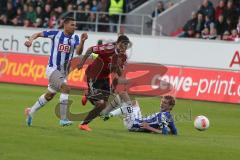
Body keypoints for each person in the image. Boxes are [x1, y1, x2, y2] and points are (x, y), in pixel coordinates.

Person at [24, 17, 88, 127]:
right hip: (52, 69)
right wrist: (30, 40)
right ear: (65, 25)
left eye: (75, 25)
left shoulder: (75, 38)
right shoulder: (55, 34)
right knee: (66, 87)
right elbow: (37, 34)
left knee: (49, 95)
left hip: (63, 73)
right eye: (72, 25)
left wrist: (82, 42)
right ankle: (63, 118)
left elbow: (78, 51)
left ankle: (31, 111)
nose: (75, 27)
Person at [77, 34, 131, 131]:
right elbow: (90, 49)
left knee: (103, 105)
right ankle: (83, 124)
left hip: (105, 78)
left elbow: (119, 73)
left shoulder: (124, 57)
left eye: (126, 46)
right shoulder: (108, 48)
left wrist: (118, 65)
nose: (124, 48)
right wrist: (81, 62)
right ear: (117, 43)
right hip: (94, 75)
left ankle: (87, 95)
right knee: (100, 103)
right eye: (123, 45)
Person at [103, 93, 178, 135]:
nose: (161, 104)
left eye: (165, 103)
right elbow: (175, 132)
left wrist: (149, 128)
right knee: (134, 102)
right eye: (162, 102)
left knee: (124, 96)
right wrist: (155, 128)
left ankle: (108, 113)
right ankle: (108, 113)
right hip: (138, 119)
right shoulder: (169, 117)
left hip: (134, 124)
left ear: (170, 106)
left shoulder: (164, 115)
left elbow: (164, 132)